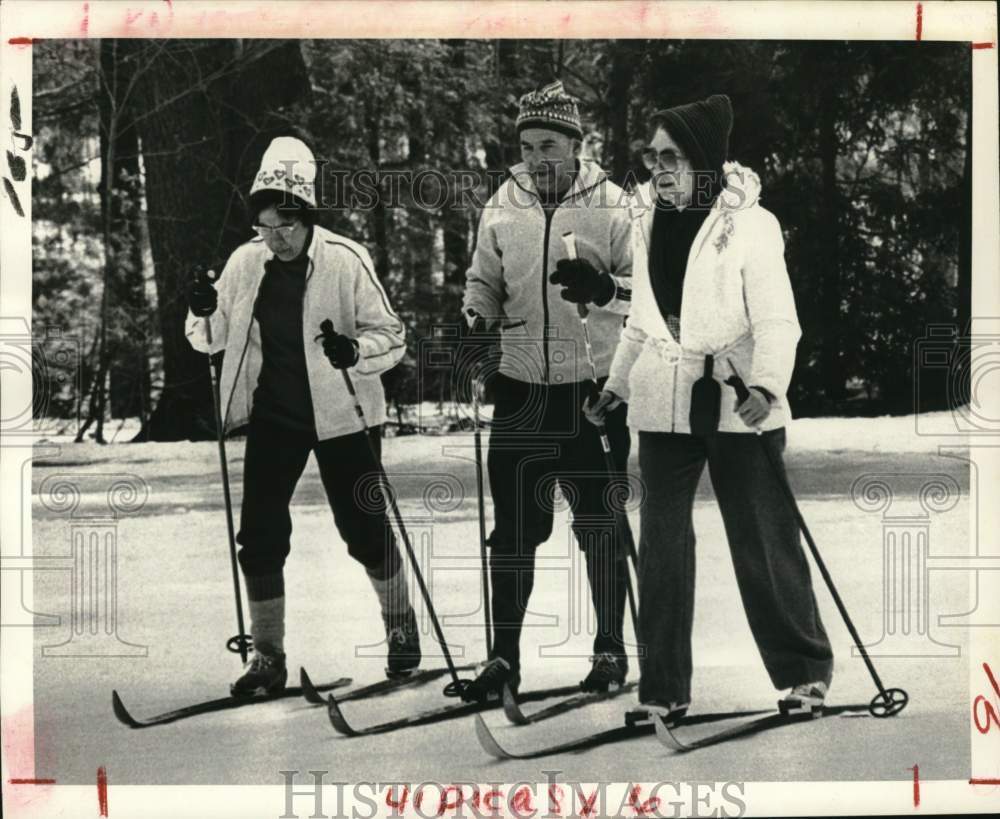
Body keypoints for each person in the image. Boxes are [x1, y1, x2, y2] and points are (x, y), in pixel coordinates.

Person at [588, 95, 834, 722]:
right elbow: (643, 325)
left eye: (670, 157)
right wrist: (616, 386)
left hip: (735, 395)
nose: (658, 168)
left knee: (761, 540)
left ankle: (804, 674)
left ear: (703, 160)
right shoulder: (647, 223)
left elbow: (779, 319)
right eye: (651, 157)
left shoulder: (749, 224)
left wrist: (768, 388)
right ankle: (663, 690)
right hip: (664, 397)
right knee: (663, 547)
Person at [185, 136, 419, 696]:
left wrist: (356, 352)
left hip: (345, 414)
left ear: (307, 216)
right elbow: (208, 339)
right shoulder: (247, 262)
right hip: (277, 415)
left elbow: (393, 335)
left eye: (286, 226)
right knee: (260, 534)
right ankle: (267, 655)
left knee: (362, 528)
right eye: (265, 227)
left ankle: (401, 626)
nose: (276, 238)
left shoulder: (344, 259)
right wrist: (200, 309)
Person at [460, 81, 635, 702]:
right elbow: (482, 281)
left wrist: (604, 286)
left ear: (576, 145)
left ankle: (611, 650)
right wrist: (476, 320)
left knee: (599, 525)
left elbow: (647, 298)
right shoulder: (502, 204)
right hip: (521, 389)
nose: (536, 159)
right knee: (512, 531)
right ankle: (503, 658)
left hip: (593, 390)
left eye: (549, 145)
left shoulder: (615, 205)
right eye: (527, 146)